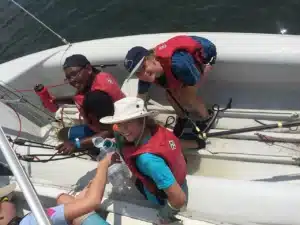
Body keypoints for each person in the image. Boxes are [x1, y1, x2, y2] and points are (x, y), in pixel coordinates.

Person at [100, 97, 188, 224]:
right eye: (119, 123)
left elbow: (179, 199)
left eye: (128, 122)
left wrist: (164, 215)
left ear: (142, 120)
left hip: (166, 195)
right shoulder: (157, 129)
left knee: (137, 180)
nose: (123, 129)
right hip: (178, 176)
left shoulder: (147, 160)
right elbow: (117, 129)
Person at [123, 35, 217, 138]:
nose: (144, 74)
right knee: (169, 96)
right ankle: (183, 117)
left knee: (186, 95)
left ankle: (207, 117)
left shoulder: (178, 64)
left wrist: (179, 91)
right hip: (182, 66)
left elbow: (196, 80)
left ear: (152, 59)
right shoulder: (145, 76)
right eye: (138, 73)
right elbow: (141, 98)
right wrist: (139, 120)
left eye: (144, 67)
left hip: (205, 56)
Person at [0, 152, 115, 225]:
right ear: (1, 217)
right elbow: (93, 201)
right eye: (3, 200)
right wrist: (103, 164)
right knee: (69, 202)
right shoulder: (32, 221)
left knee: (63, 199)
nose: (8, 199)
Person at [53, 54, 125, 154]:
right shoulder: (96, 79)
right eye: (68, 77)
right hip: (97, 126)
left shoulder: (98, 97)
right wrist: (57, 100)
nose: (72, 80)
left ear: (88, 69)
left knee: (87, 150)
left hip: (115, 135)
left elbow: (110, 131)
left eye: (74, 74)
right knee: (62, 134)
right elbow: (79, 98)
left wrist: (77, 144)